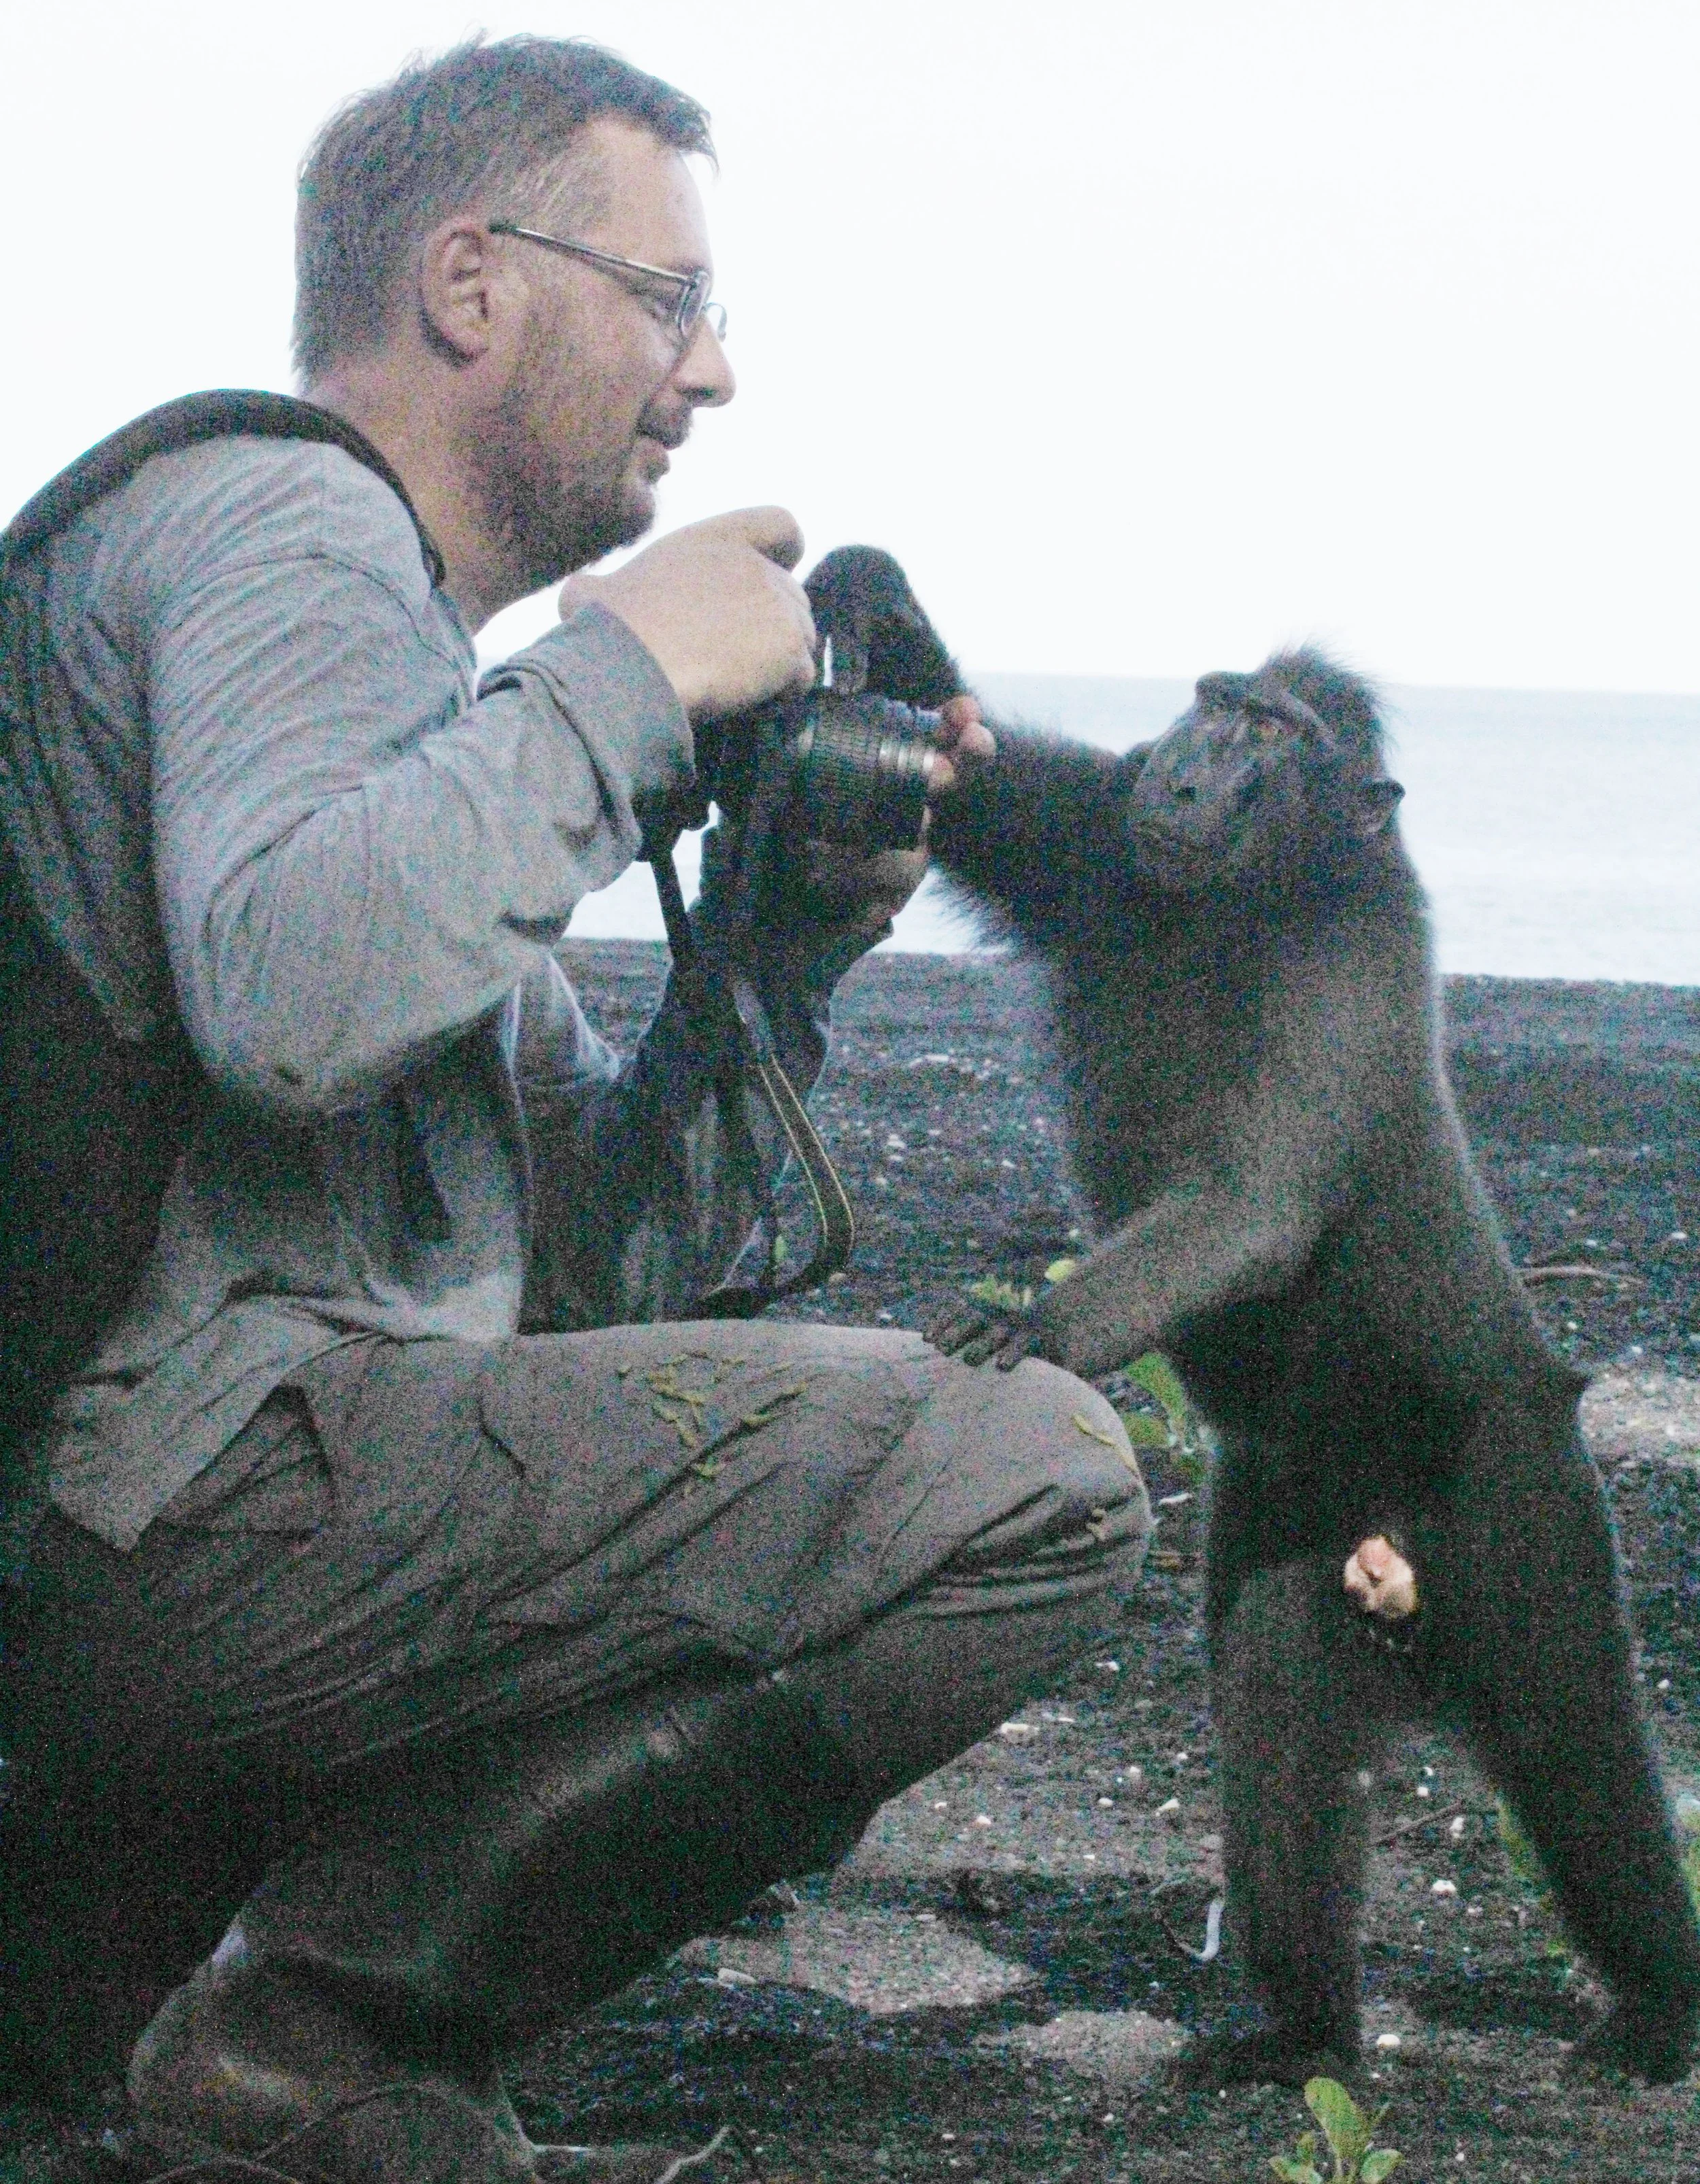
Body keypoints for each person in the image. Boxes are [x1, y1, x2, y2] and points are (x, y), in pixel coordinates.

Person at [0, 35, 1151, 2183]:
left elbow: (590, 1285)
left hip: (140, 1549)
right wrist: (621, 671)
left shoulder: (409, 703)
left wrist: (773, 954)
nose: (707, 375)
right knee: (1029, 1477)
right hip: (124, 1520)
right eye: (669, 299)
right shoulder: (283, 521)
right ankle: (307, 2025)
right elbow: (293, 989)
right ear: (470, 285)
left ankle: (208, 2021)